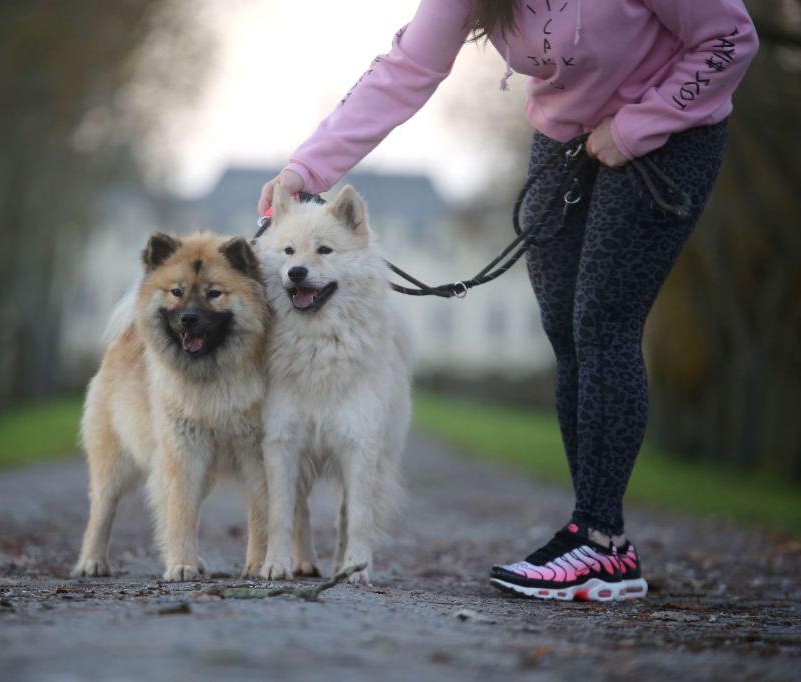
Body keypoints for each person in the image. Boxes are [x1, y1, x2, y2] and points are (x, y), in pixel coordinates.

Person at [256, 0, 757, 601]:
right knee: (565, 330)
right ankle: (595, 536)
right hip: (565, 135)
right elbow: (403, 70)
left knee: (602, 323)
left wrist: (632, 128)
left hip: (671, 131)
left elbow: (729, 37)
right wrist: (306, 169)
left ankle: (600, 544)